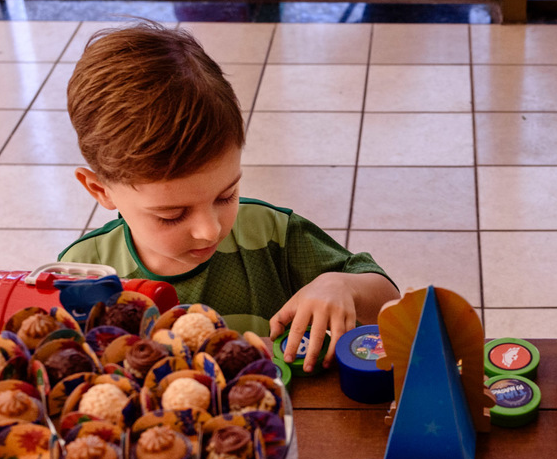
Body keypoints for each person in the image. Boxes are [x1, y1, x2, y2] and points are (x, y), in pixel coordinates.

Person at [59, 22, 399, 369]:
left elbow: (388, 298)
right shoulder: (84, 273)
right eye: (173, 215)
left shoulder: (270, 233)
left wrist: (340, 285)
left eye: (226, 196)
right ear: (100, 190)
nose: (209, 230)